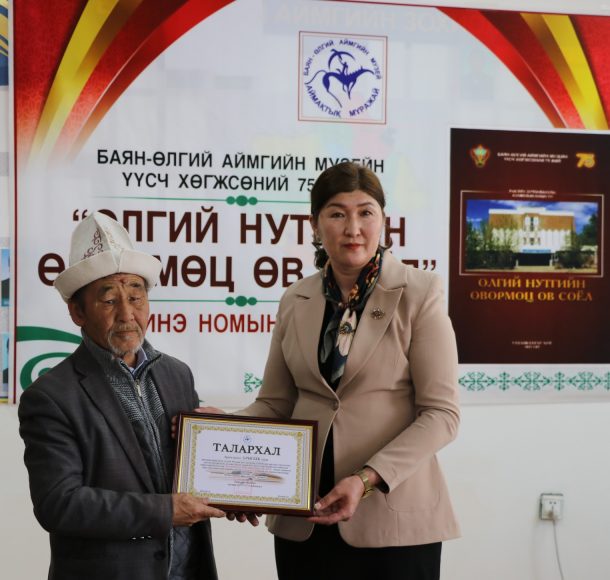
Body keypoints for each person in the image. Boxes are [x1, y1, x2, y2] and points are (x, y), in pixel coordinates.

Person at [238, 161, 461, 579]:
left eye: (365, 212)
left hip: (393, 521)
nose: (353, 228)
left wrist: (365, 479)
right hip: (303, 517)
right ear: (315, 224)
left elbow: (441, 415)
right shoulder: (295, 299)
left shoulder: (419, 292)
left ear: (384, 220)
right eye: (337, 214)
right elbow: (274, 404)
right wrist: (220, 430)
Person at [18, 212, 225, 580]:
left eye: (136, 296)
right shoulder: (50, 397)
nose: (127, 314)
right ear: (77, 311)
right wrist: (165, 512)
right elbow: (59, 503)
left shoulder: (177, 375)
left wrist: (235, 489)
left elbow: (196, 473)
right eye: (109, 300)